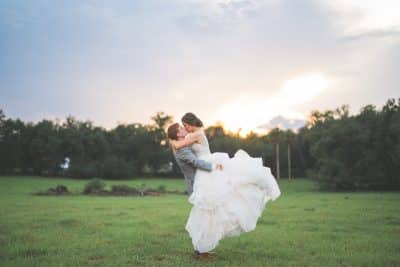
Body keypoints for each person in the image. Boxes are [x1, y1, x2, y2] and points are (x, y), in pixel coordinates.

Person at [169, 112, 281, 257]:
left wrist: (171, 141)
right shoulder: (194, 135)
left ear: (190, 123)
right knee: (210, 208)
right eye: (182, 127)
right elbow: (185, 150)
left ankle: (202, 247)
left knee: (214, 206)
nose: (185, 129)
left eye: (185, 125)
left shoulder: (193, 135)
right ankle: (201, 247)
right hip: (206, 170)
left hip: (208, 170)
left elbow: (178, 145)